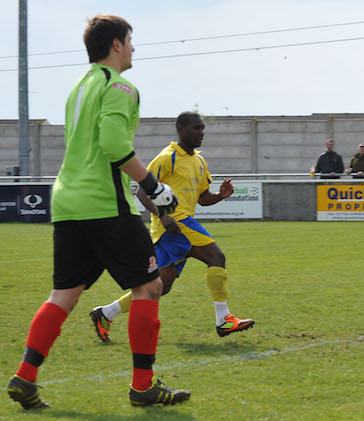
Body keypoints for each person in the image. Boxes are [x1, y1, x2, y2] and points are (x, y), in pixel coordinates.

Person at [6, 14, 190, 409]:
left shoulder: (79, 86)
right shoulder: (121, 86)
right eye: (131, 40)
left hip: (68, 201)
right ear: (117, 44)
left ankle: (25, 377)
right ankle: (143, 386)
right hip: (106, 202)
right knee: (149, 286)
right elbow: (111, 142)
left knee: (64, 293)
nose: (134, 47)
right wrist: (153, 186)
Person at [89, 111, 256, 344]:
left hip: (179, 226)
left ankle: (105, 313)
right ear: (181, 128)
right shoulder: (166, 158)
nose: (201, 133)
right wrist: (163, 215)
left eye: (203, 129)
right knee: (216, 257)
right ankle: (223, 319)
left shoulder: (199, 161)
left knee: (159, 286)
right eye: (196, 128)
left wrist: (220, 196)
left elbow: (203, 197)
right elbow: (143, 191)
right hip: (174, 223)